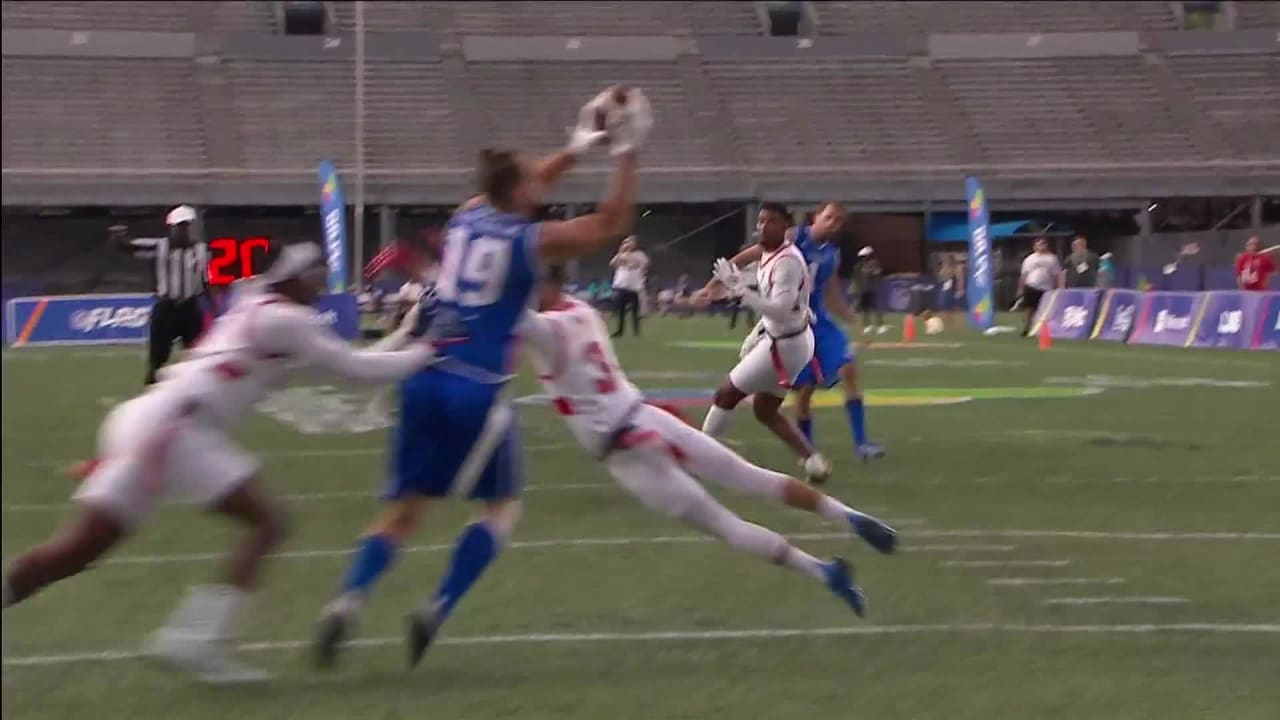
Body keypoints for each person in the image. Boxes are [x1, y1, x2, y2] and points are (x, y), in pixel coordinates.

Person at [314, 86, 652, 670]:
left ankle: (348, 598)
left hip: (422, 375)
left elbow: (527, 182)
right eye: (532, 179)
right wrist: (626, 150)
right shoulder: (528, 241)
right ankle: (438, 606)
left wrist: (576, 148)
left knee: (404, 510)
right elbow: (611, 221)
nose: (540, 183)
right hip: (477, 387)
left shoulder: (468, 215)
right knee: (500, 509)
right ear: (519, 190)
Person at [1, 243, 437, 684]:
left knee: (74, 553)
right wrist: (428, 350)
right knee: (268, 524)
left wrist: (411, 336)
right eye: (314, 276)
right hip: (177, 432)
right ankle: (195, 639)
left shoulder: (259, 307)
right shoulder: (285, 321)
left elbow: (354, 361)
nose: (322, 286)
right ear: (291, 279)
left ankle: (194, 639)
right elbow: (356, 370)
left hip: (155, 421)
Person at [521, 266, 896, 614]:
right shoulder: (583, 312)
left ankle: (823, 572)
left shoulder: (546, 330)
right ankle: (850, 516)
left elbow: (506, 318)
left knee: (725, 525)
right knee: (751, 476)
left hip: (625, 449)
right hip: (646, 413)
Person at [697, 203, 831, 484]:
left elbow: (780, 309)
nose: (762, 226)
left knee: (725, 395)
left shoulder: (787, 263)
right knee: (765, 411)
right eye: (760, 221)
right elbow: (749, 267)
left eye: (771, 221)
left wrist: (738, 288)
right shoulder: (770, 253)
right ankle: (813, 461)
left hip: (785, 344)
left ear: (785, 227)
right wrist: (720, 289)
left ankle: (697, 457)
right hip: (789, 339)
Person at [111, 205, 212, 385]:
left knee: (197, 355)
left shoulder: (201, 250)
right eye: (179, 226)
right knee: (157, 357)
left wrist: (212, 307)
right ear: (171, 227)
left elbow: (205, 281)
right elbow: (129, 247)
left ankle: (194, 392)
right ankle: (153, 392)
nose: (183, 230)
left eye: (186, 225)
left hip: (190, 308)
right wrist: (117, 236)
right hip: (166, 308)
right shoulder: (158, 246)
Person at [1018, 237, 1061, 336]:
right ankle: (1026, 328)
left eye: (1043, 244)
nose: (1041, 246)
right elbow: (1024, 274)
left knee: (1045, 310)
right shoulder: (1029, 259)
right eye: (1038, 244)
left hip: (1046, 288)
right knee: (1029, 309)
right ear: (1034, 246)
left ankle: (1043, 329)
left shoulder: (1052, 258)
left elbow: (1057, 274)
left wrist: (1057, 287)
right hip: (1031, 286)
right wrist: (1020, 289)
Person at [610, 235, 648, 337]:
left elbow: (639, 264)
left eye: (630, 242)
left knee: (635, 312)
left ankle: (636, 331)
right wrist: (620, 252)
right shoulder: (620, 254)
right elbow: (613, 263)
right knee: (621, 311)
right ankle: (620, 331)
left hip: (634, 287)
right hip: (621, 286)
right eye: (626, 242)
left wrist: (628, 257)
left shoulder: (639, 254)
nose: (628, 244)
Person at [853, 245, 886, 334]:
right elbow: (857, 277)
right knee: (865, 309)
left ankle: (881, 326)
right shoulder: (860, 266)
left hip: (872, 289)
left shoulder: (873, 263)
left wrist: (873, 272)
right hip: (864, 289)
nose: (863, 258)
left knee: (875, 307)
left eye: (864, 256)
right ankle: (867, 325)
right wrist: (857, 287)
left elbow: (878, 273)